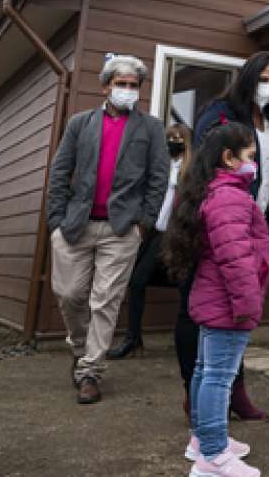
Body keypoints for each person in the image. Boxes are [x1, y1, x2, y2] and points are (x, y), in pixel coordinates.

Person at [46, 53, 169, 404]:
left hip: (120, 230)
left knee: (105, 301)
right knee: (70, 295)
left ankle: (90, 372)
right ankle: (80, 347)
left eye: (133, 85)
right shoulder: (80, 124)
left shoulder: (151, 128)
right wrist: (56, 220)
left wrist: (143, 223)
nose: (128, 91)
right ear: (106, 86)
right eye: (121, 84)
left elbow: (158, 180)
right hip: (74, 226)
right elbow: (59, 172)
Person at [165, 122, 269, 477]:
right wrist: (248, 303)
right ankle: (213, 455)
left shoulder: (214, 192)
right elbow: (235, 258)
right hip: (228, 304)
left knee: (203, 370)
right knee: (219, 377)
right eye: (250, 157)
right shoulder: (229, 198)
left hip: (214, 299)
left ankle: (201, 439)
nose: (254, 165)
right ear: (228, 158)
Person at [186, 51, 269, 421]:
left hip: (255, 220)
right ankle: (201, 398)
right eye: (264, 79)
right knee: (214, 313)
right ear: (248, 78)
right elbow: (205, 162)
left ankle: (228, 391)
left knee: (231, 321)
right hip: (223, 219)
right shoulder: (221, 112)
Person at [107, 122, 192, 361]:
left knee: (183, 286)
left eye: (179, 138)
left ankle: (188, 339)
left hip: (177, 234)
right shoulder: (160, 167)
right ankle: (133, 339)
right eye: (170, 137)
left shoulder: (191, 170)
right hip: (156, 232)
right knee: (136, 281)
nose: (174, 141)